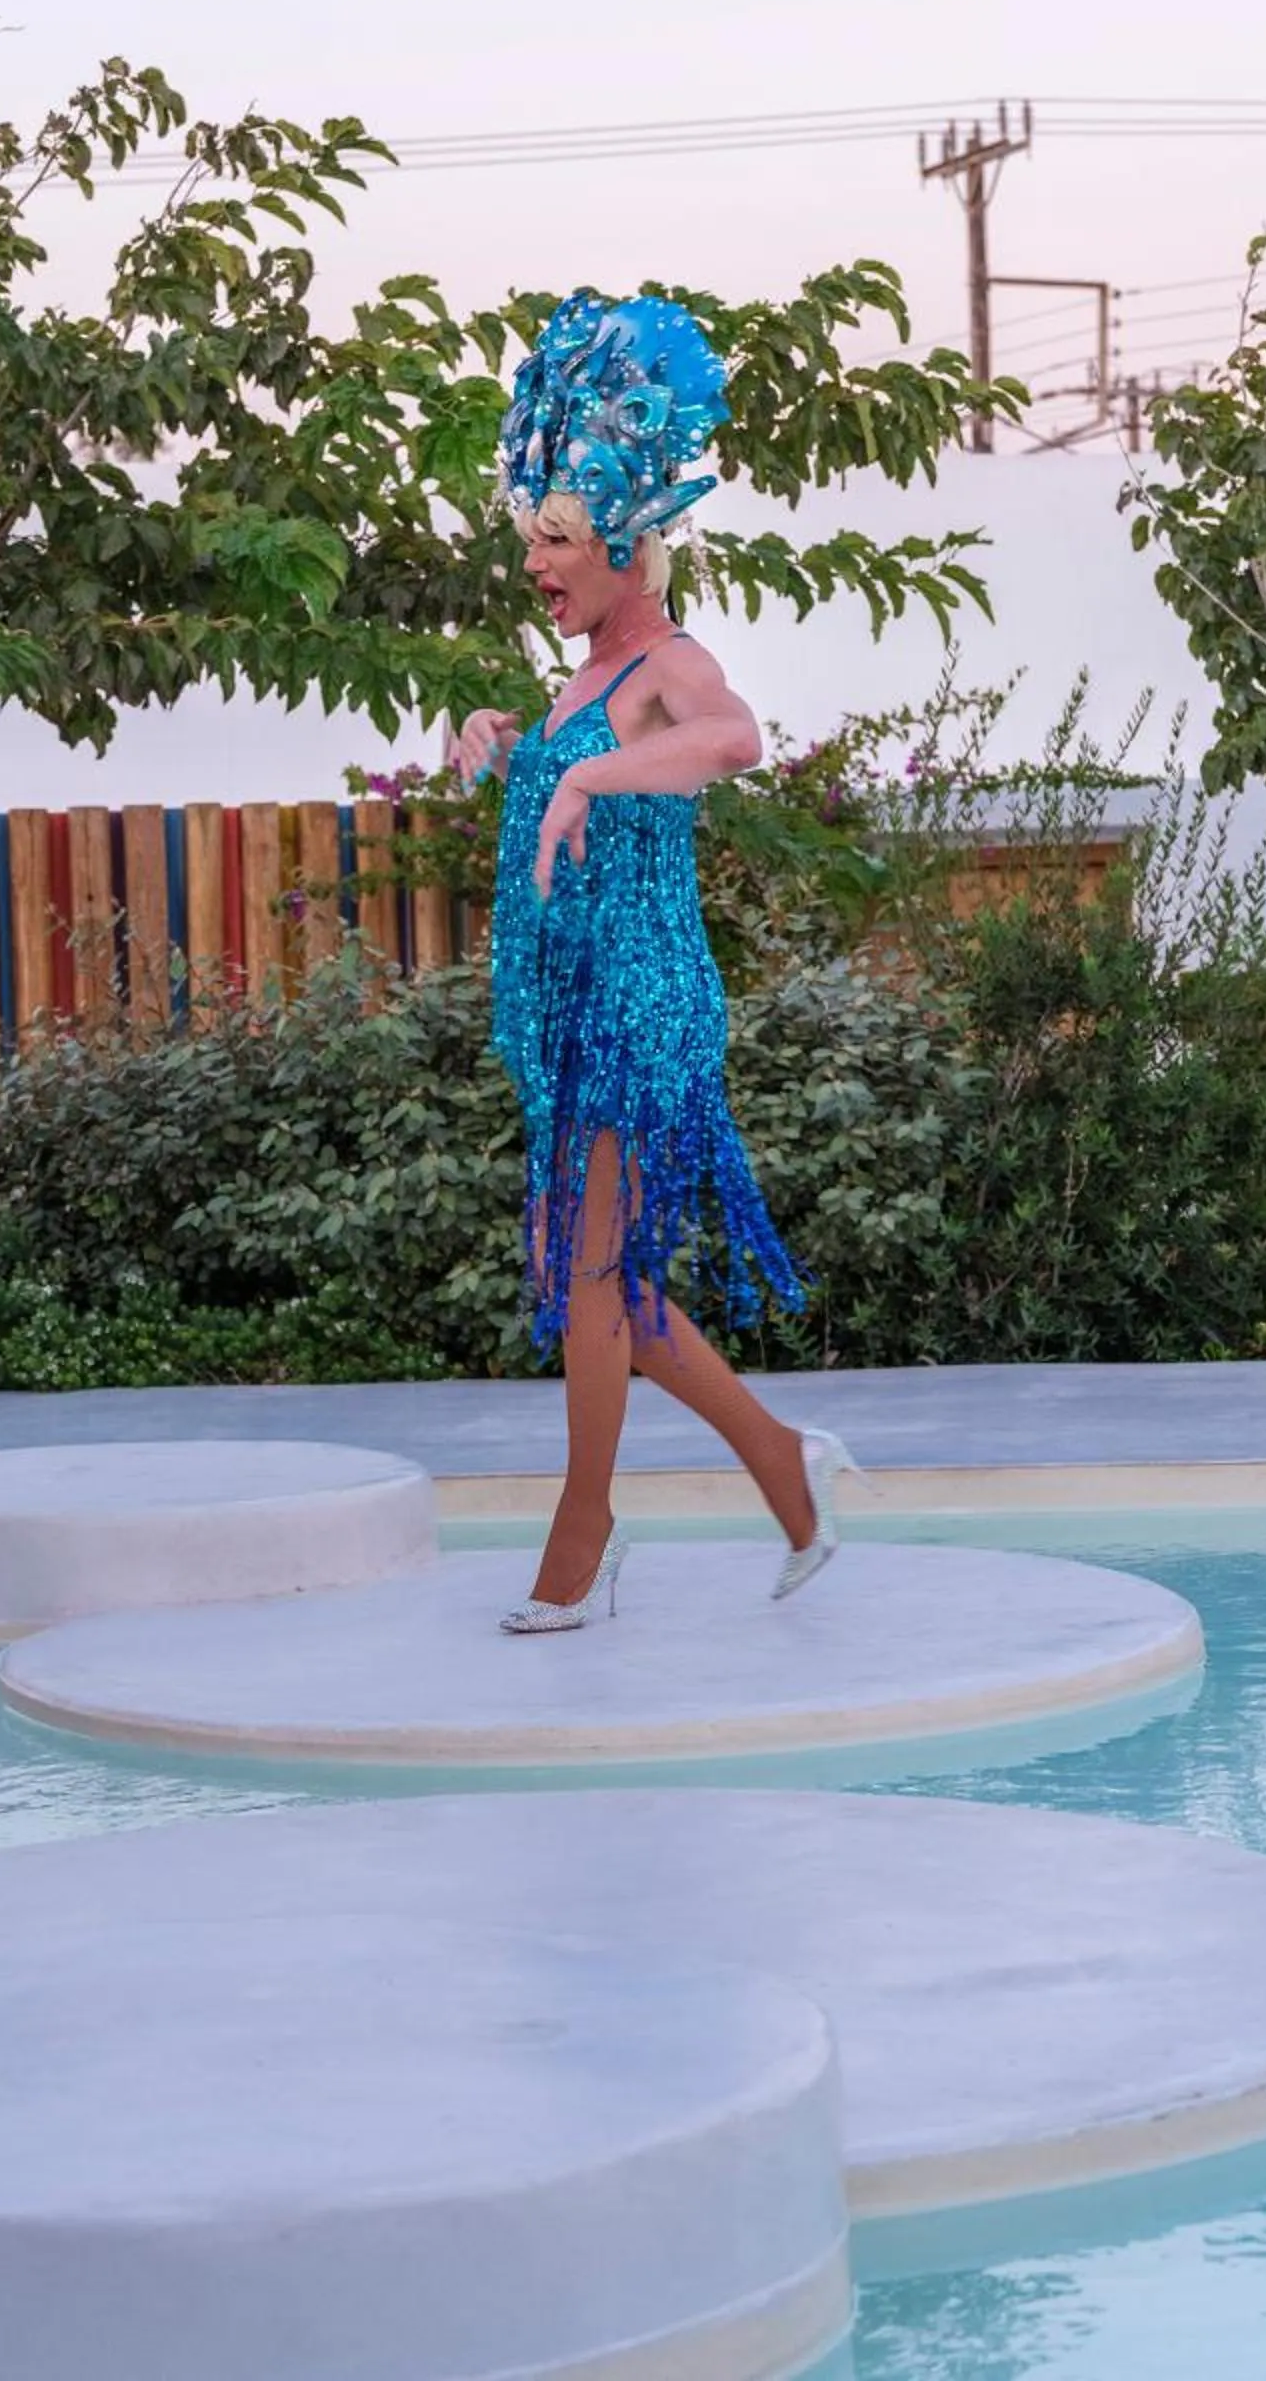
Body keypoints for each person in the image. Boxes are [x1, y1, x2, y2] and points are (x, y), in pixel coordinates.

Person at [457, 292, 859, 1634]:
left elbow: (733, 740)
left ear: (624, 546)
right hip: (575, 1012)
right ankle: (782, 1467)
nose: (536, 566)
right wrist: (504, 749)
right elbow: (564, 777)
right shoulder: (578, 679)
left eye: (557, 544)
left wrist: (600, 780)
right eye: (533, 541)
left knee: (580, 1273)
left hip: (642, 1004)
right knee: (608, 1284)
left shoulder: (670, 664)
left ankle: (584, 1536)